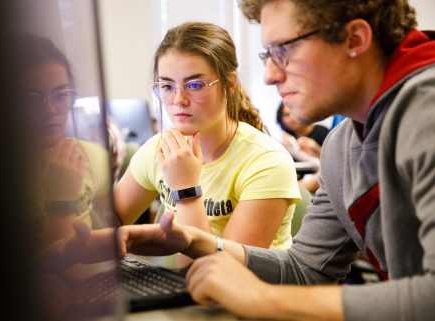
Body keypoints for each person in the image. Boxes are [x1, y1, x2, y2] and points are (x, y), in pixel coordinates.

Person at [55, 1, 435, 320]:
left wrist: (260, 297)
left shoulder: (425, 111)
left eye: (284, 49)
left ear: (355, 39)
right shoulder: (343, 144)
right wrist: (195, 241)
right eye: (267, 55)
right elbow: (305, 270)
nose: (269, 75)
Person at [113, 21, 301, 258]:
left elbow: (222, 270)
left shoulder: (267, 161)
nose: (179, 99)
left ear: (230, 84)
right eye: (167, 86)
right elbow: (109, 224)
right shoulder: (158, 149)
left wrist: (186, 189)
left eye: (195, 85)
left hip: (241, 292)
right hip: (174, 289)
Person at [17, 34, 113, 248]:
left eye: (61, 95)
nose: (50, 111)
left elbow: (116, 227)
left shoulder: (91, 156)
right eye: (32, 98)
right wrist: (60, 203)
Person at [277, 101, 329, 193]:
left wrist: (316, 149)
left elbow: (335, 161)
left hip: (319, 184)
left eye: (293, 112)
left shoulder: (321, 132)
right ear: (281, 118)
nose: (291, 118)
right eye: (286, 114)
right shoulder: (286, 139)